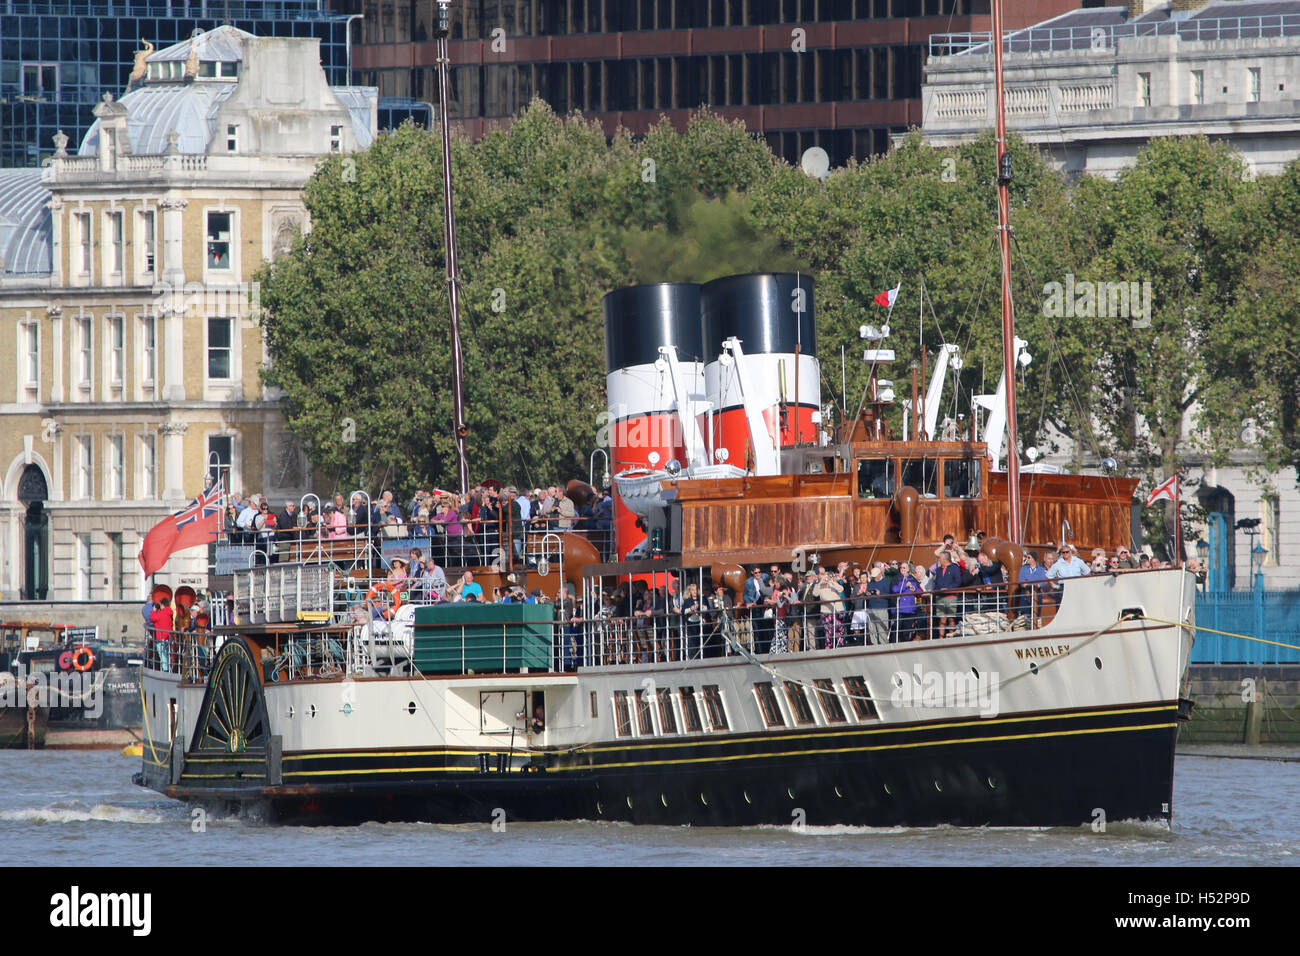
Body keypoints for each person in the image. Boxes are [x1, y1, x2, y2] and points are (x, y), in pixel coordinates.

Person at [865, 563, 891, 645]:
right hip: (871, 608)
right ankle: (874, 645)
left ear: (880, 574)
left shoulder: (886, 582)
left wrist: (880, 594)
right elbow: (867, 592)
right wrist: (867, 593)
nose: (874, 578)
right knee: (872, 629)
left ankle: (884, 645)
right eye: (873, 576)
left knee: (882, 629)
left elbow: (890, 596)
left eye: (875, 576)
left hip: (881, 608)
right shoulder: (871, 582)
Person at [150, 597, 175, 672]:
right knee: (168, 653)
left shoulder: (161, 613)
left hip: (161, 637)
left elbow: (152, 618)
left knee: (162, 654)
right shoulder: (170, 612)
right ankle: (169, 668)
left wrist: (154, 610)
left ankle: (165, 669)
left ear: (162, 604)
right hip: (168, 637)